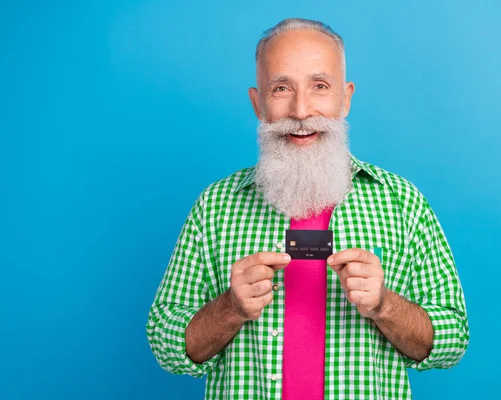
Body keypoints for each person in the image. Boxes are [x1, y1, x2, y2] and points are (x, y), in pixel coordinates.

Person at [146, 18, 469, 400]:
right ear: (258, 103)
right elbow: (165, 345)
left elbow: (452, 340)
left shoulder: (403, 203)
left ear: (345, 98)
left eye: (320, 86)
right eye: (281, 88)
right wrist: (230, 308)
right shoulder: (215, 206)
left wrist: (385, 305)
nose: (301, 111)